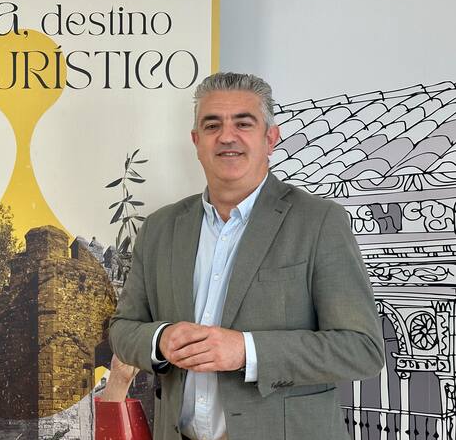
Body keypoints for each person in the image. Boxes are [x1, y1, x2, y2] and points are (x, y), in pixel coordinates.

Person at [108, 73, 385, 440]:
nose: (227, 136)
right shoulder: (160, 227)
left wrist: (246, 351)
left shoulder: (319, 222)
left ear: (270, 138)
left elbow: (361, 349)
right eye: (212, 125)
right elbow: (122, 329)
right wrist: (160, 340)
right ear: (196, 141)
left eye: (243, 123)